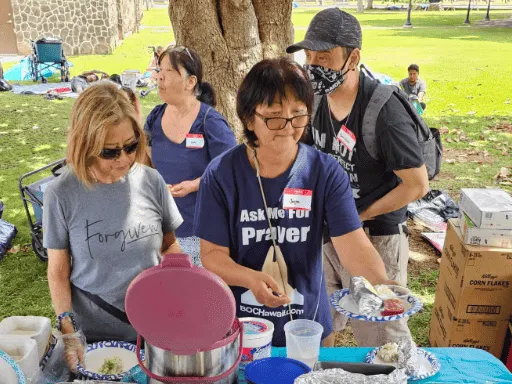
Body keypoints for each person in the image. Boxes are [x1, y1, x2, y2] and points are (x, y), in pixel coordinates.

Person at [194, 57, 398, 347]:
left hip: (309, 324)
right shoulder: (221, 174)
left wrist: (381, 285)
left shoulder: (324, 172)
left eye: (298, 115)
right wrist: (250, 278)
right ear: (250, 118)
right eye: (274, 116)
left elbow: (352, 244)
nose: (288, 127)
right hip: (244, 329)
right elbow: (212, 255)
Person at [287, 8, 429, 346]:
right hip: (326, 236)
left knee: (381, 334)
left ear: (353, 57)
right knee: (316, 326)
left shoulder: (385, 110)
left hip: (375, 237)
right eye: (310, 56)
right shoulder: (316, 101)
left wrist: (357, 215)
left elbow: (417, 184)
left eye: (324, 57)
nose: (314, 65)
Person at [43, 82, 183, 370]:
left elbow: (169, 244)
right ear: (86, 144)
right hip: (92, 338)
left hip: (152, 330)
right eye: (110, 152)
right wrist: (69, 332)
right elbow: (58, 271)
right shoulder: (61, 193)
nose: (125, 159)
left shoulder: (151, 181)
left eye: (131, 146)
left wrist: (180, 285)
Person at [144, 46, 236, 266]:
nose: (160, 77)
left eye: (169, 71)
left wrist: (195, 185)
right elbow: (144, 164)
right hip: (161, 231)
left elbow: (230, 171)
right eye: (159, 70)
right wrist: (154, 185)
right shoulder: (154, 117)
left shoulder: (210, 122)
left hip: (202, 233)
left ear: (190, 81)